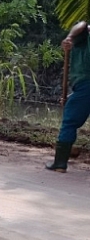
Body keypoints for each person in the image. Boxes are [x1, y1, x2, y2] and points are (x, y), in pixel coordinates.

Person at [46, 20, 90, 172]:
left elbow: (83, 24)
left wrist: (70, 36)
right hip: (83, 88)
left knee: (69, 122)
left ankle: (60, 163)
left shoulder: (84, 34)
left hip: (86, 84)